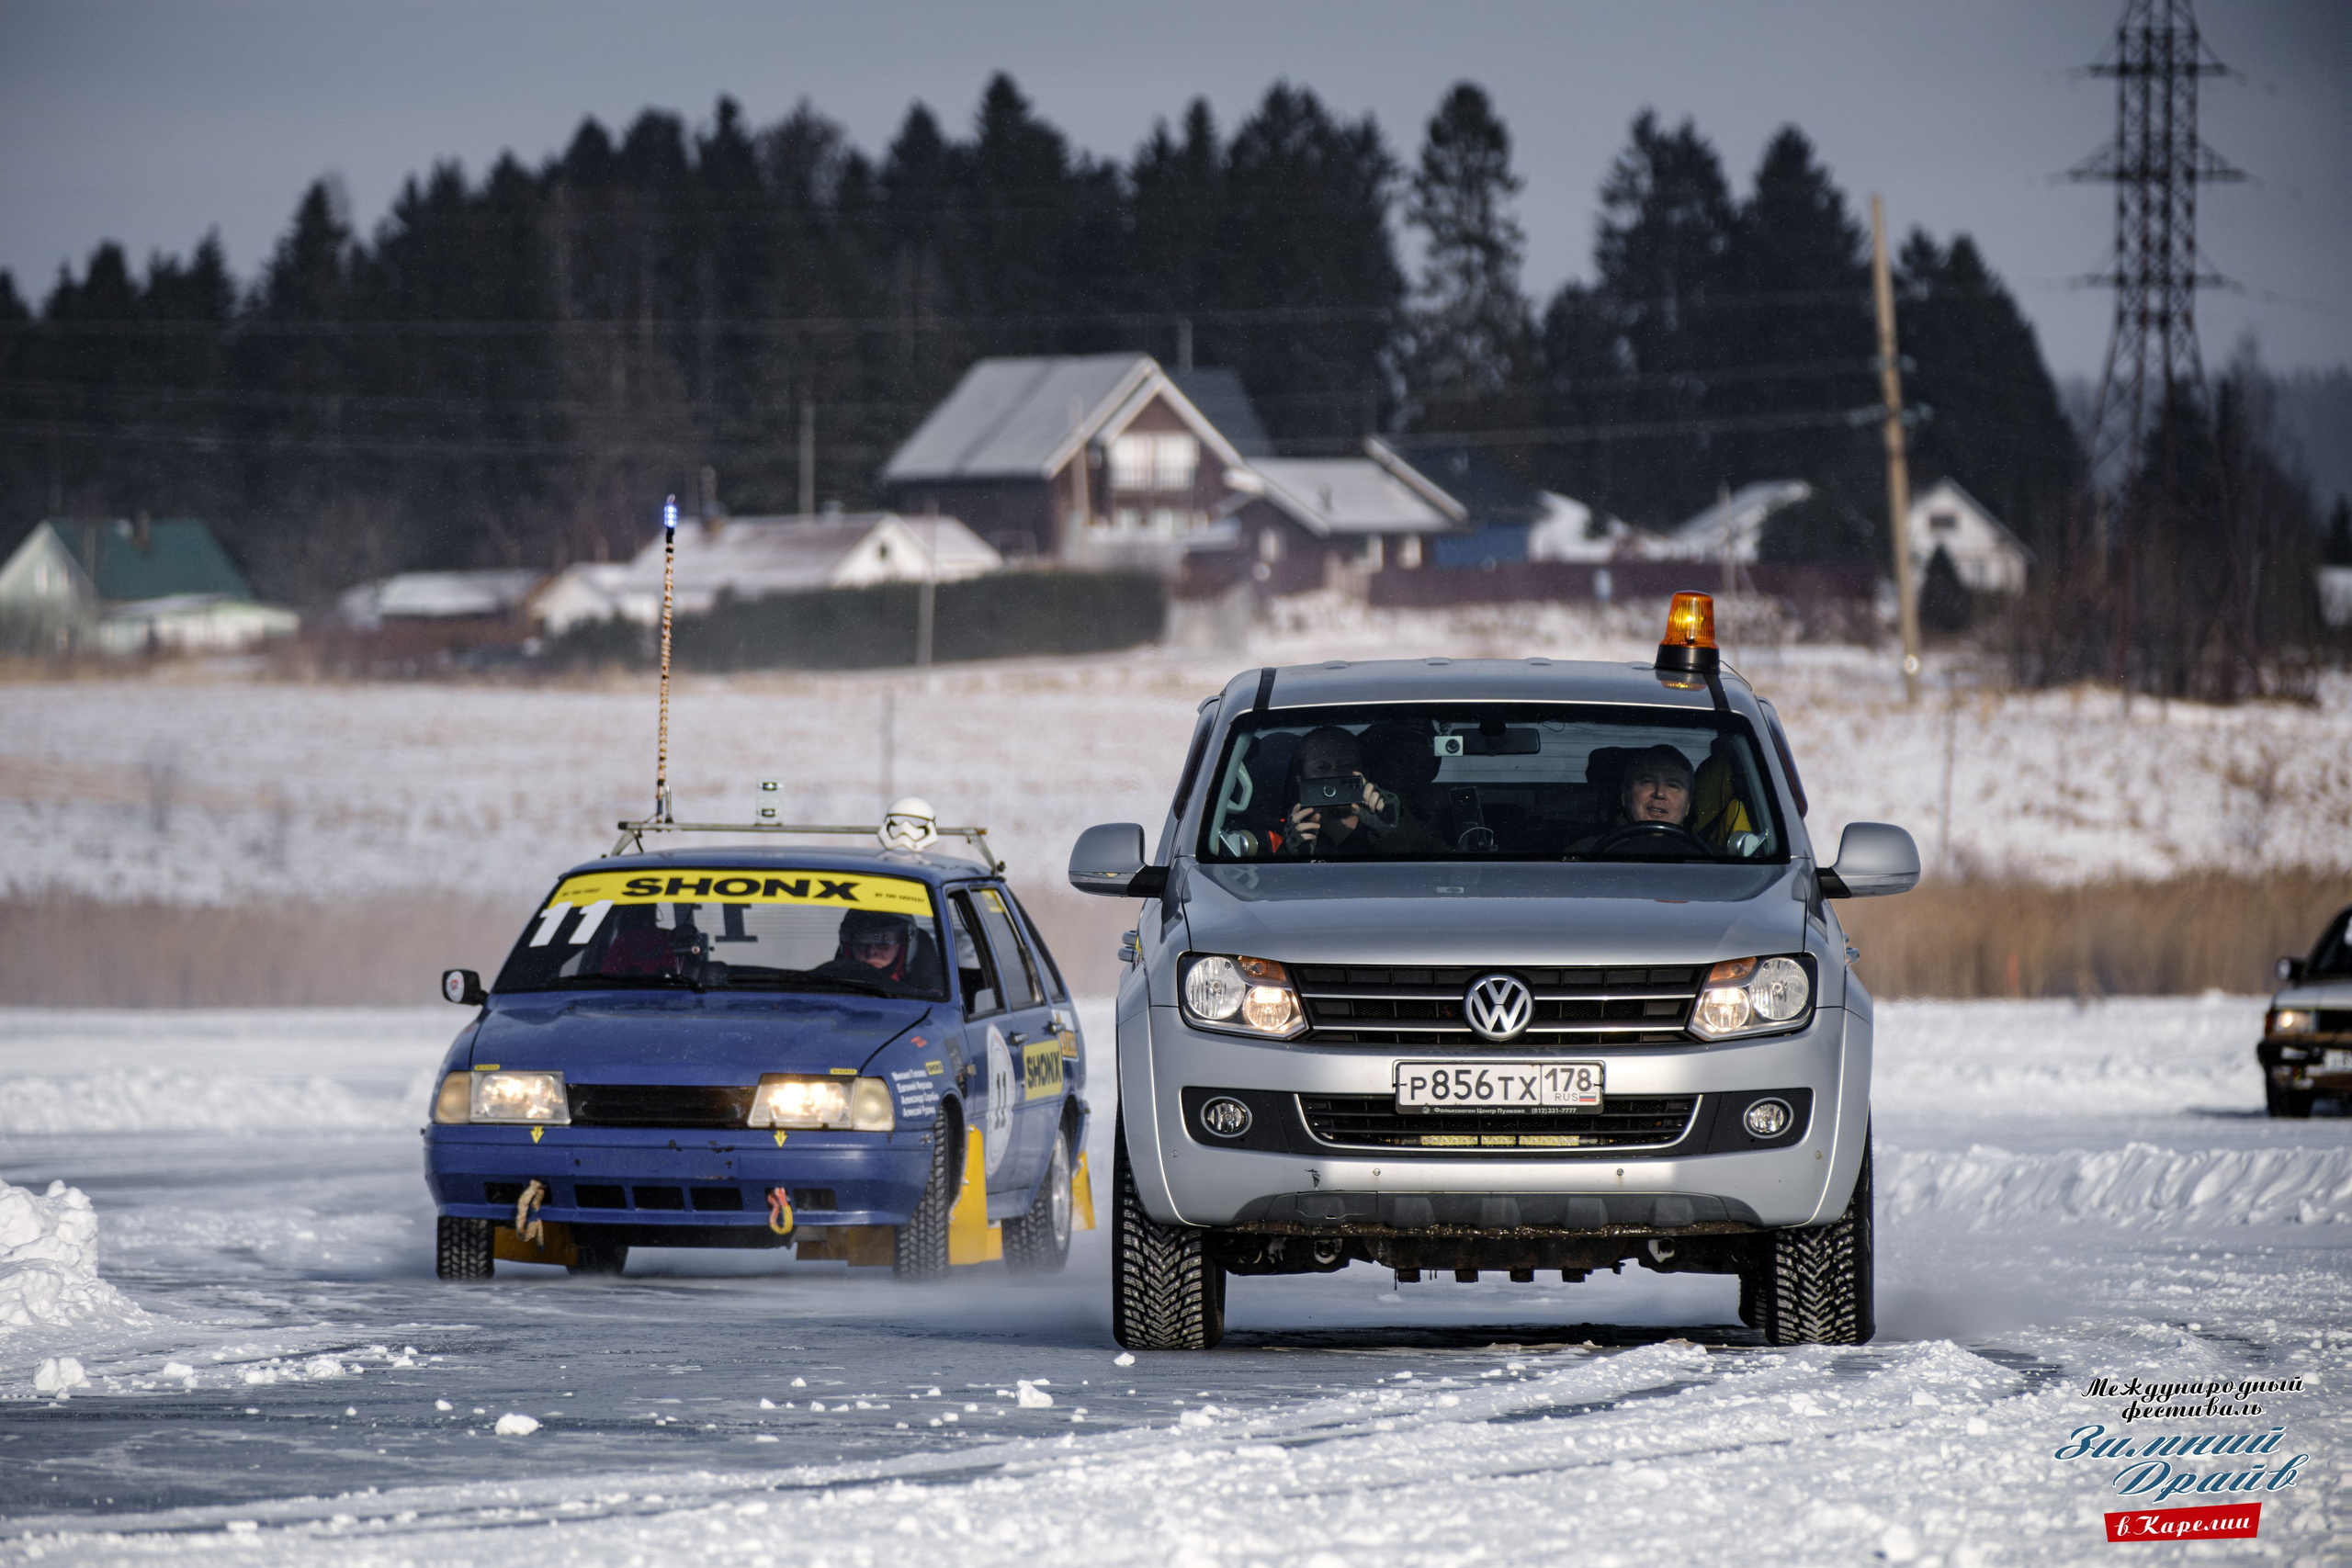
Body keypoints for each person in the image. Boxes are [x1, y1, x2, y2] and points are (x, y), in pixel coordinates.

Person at [1278, 726, 1442, 857]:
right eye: (1322, 768)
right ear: (1301, 780)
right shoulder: (1286, 828)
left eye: (1346, 766)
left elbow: (1430, 872)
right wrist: (1290, 853)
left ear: (1364, 773)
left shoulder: (1395, 816)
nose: (1335, 775)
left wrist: (1390, 829)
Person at [813, 909, 937, 993]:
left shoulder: (931, 1001)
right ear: (849, 946)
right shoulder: (823, 988)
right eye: (862, 939)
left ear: (906, 945)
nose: (871, 950)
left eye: (885, 940)